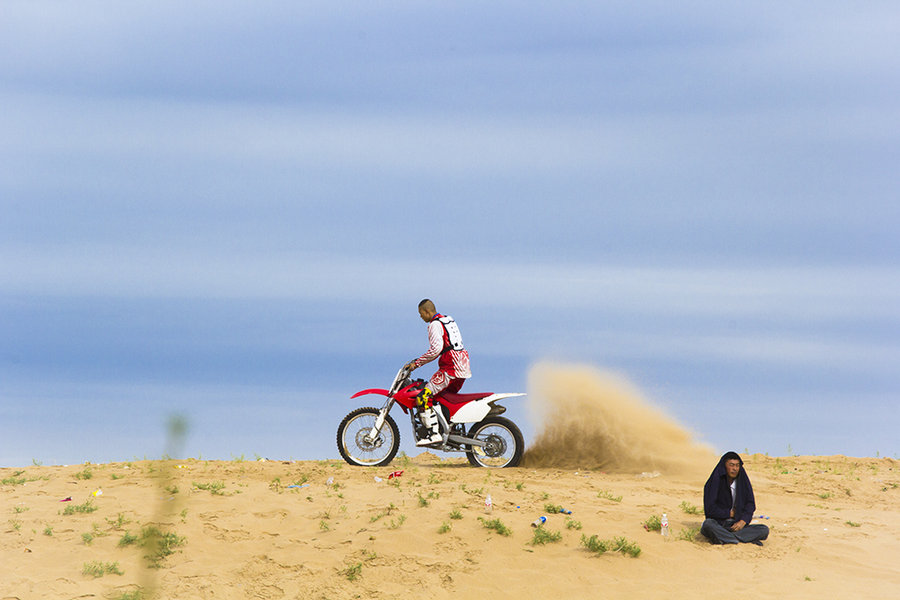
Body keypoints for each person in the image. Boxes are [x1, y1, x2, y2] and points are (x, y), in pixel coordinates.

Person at [404, 299, 471, 446]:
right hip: (463, 366)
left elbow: (435, 350)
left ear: (427, 312)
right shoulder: (448, 319)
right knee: (441, 398)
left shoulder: (434, 325)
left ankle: (433, 434)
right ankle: (448, 431)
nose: (421, 317)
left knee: (423, 396)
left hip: (450, 368)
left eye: (421, 314)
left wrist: (417, 363)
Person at [700, 451, 770, 545]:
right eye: (731, 465)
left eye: (737, 465)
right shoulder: (715, 481)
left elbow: (750, 504)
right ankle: (741, 539)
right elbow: (710, 509)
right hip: (719, 524)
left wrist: (743, 521)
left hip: (737, 525)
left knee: (764, 529)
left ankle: (726, 538)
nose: (735, 469)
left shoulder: (742, 481)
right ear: (725, 466)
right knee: (707, 525)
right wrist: (728, 513)